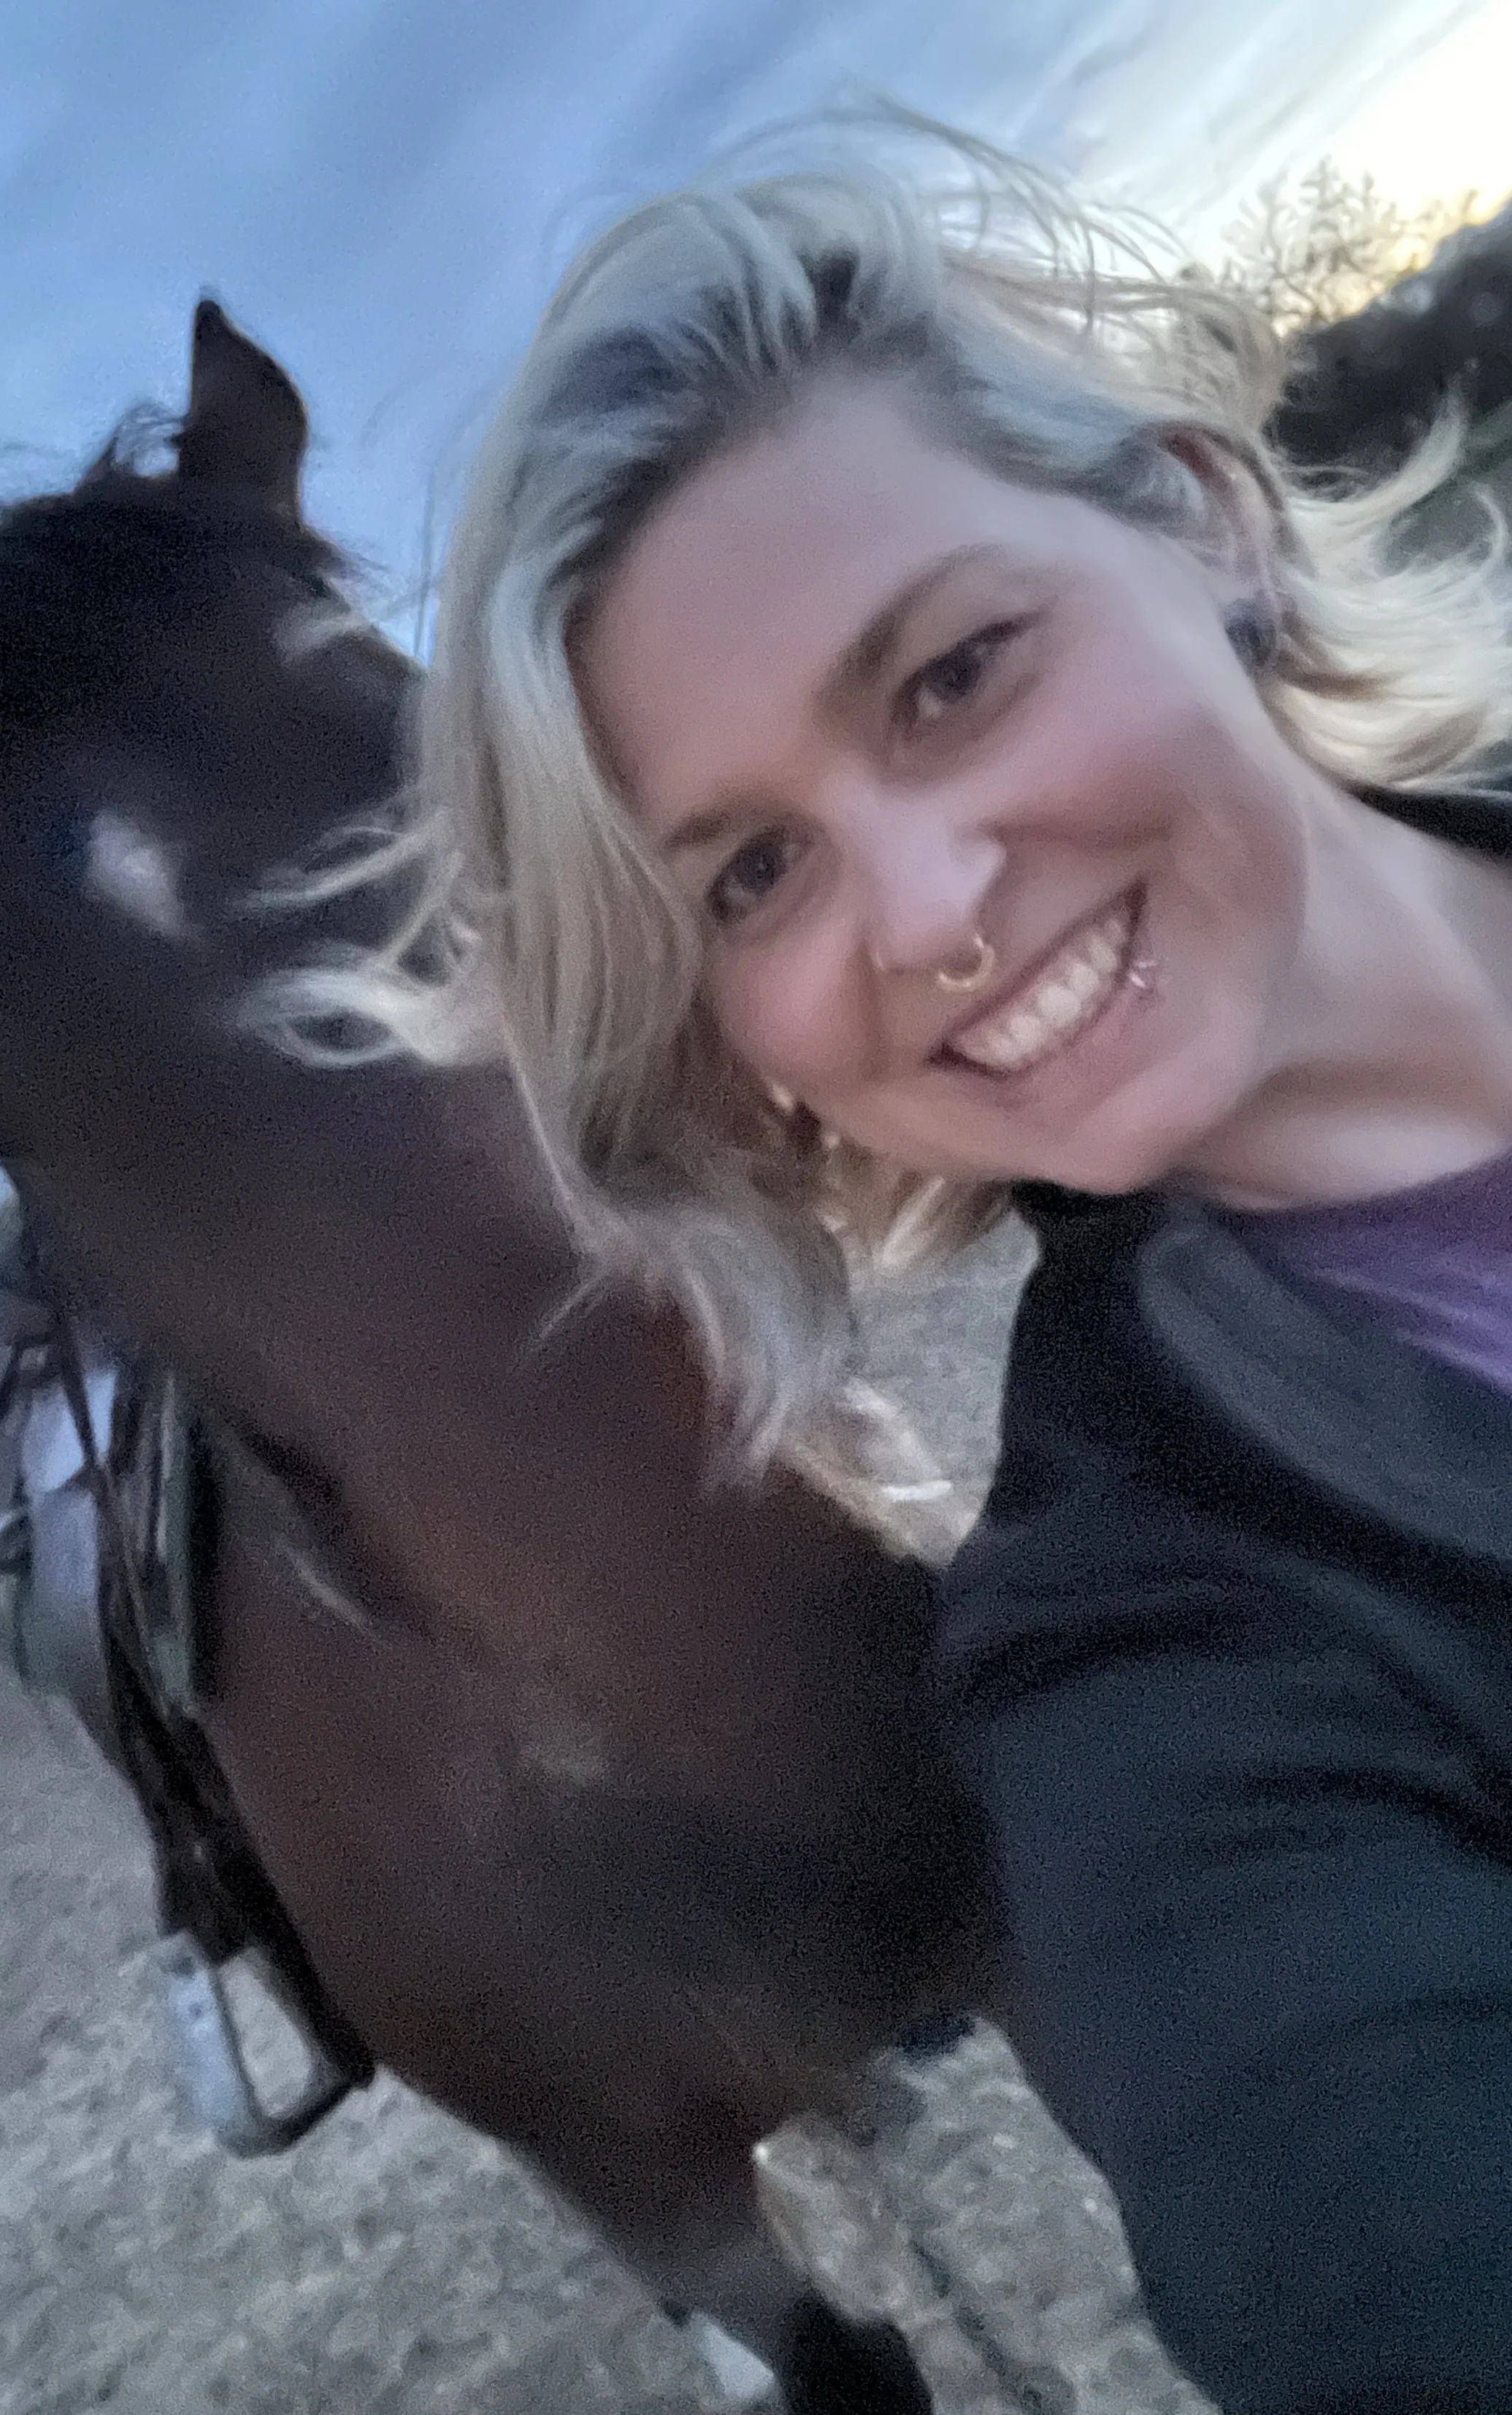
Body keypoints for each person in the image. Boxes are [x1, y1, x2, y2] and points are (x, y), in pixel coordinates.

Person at [299, 111, 1512, 2411]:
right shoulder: (1152, 1662)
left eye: (951, 672)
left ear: (1200, 520)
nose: (931, 912)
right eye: (747, 874)